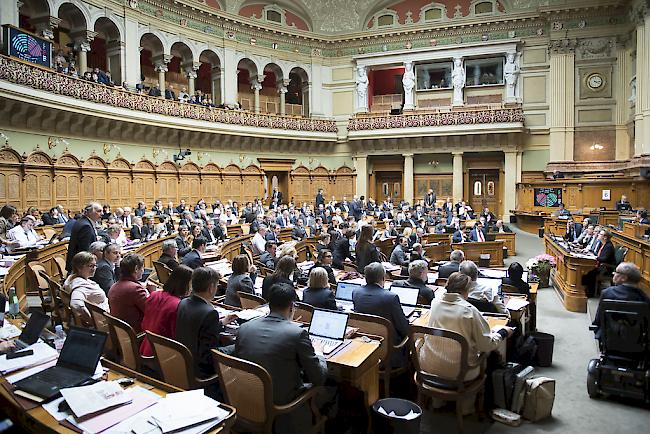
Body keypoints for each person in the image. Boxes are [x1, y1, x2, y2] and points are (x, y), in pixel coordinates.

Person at [234, 283, 328, 434]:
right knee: (329, 389)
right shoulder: (297, 334)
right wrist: (319, 354)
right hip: (281, 404)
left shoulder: (245, 328)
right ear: (292, 307)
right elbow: (319, 378)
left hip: (247, 397)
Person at [420, 272, 513, 411]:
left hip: (429, 366)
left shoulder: (435, 303)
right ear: (466, 291)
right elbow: (486, 345)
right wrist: (502, 333)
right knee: (489, 353)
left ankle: (438, 401)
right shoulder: (469, 311)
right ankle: (465, 408)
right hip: (461, 372)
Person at [176, 267, 237, 381]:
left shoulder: (183, 302)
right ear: (211, 288)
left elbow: (198, 328)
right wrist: (235, 346)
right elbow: (210, 354)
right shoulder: (210, 312)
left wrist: (222, 323)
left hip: (183, 362)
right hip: (201, 371)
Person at [353, 262, 410, 367]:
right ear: (383, 278)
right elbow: (404, 329)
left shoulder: (356, 292)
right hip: (389, 351)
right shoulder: (391, 297)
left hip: (365, 346)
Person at [140, 265, 193, 357]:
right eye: (191, 284)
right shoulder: (178, 306)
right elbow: (177, 337)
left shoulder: (154, 295)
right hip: (164, 354)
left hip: (146, 346)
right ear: (184, 284)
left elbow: (144, 324)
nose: (192, 288)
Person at [592, 262, 650, 338]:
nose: (613, 274)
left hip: (610, 340)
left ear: (624, 278)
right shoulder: (644, 298)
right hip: (636, 343)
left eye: (616, 272)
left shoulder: (607, 293)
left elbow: (598, 320)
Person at [108, 253, 151, 333]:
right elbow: (151, 310)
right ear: (136, 269)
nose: (143, 270)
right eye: (142, 267)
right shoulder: (135, 289)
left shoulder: (114, 286)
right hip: (136, 333)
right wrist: (153, 293)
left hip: (121, 333)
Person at [64, 251, 110, 326]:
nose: (94, 268)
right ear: (79, 267)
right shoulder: (79, 285)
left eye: (95, 265)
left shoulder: (74, 277)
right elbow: (76, 304)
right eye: (90, 266)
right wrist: (93, 322)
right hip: (105, 323)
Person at [66, 202, 102, 271]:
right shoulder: (86, 226)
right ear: (89, 212)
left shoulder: (83, 221)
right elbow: (85, 250)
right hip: (81, 267)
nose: (102, 214)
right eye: (99, 211)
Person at [583, 229, 616, 297]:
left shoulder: (609, 246)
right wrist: (590, 253)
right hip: (601, 266)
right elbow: (599, 255)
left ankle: (590, 293)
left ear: (605, 237)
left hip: (606, 268)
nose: (598, 235)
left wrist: (595, 257)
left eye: (600, 234)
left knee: (588, 272)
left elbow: (604, 259)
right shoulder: (604, 244)